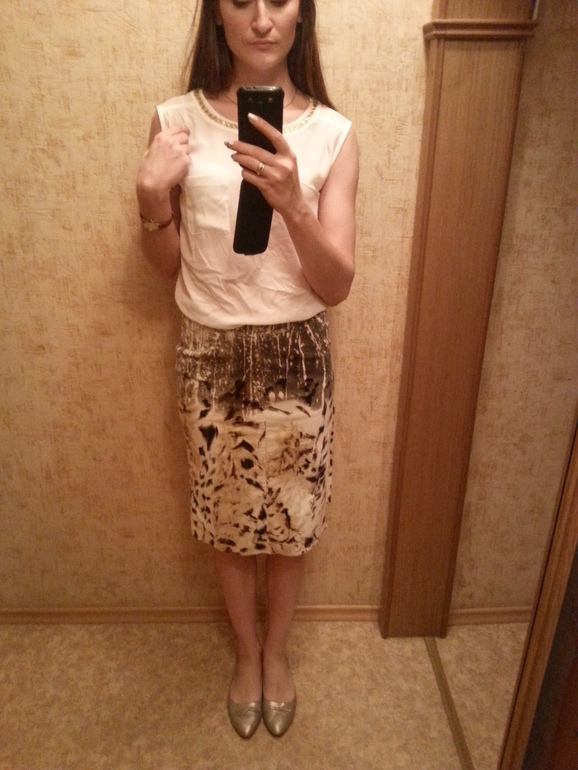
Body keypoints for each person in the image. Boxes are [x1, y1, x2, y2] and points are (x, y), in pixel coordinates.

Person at [136, 0, 358, 739]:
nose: (262, 19)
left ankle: (276, 653)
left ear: (303, 17)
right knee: (228, 523)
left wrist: (295, 205)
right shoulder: (175, 122)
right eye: (240, 1)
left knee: (291, 523)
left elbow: (337, 283)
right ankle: (244, 654)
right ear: (217, 18)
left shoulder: (333, 133)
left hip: (298, 355)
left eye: (280, 0)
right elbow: (165, 267)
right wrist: (149, 202)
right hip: (209, 352)